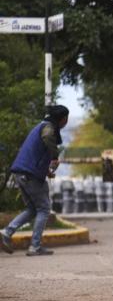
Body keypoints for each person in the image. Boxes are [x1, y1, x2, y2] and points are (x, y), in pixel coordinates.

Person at [1, 105, 69, 256]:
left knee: (32, 209)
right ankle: (35, 246)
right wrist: (55, 156)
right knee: (44, 209)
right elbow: (47, 137)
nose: (66, 122)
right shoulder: (48, 127)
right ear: (63, 119)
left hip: (21, 172)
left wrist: (46, 171)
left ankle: (6, 232)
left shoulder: (40, 126)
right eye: (66, 119)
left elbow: (35, 154)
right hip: (29, 174)